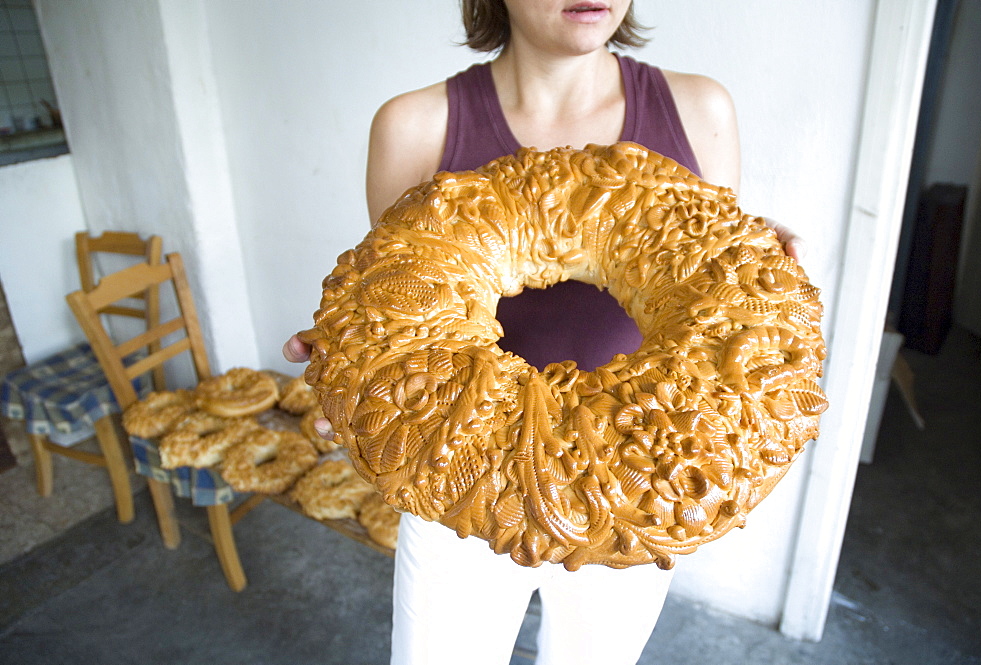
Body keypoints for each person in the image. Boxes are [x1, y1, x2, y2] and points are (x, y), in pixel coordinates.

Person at [284, 2, 800, 663]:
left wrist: (760, 265)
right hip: (458, 477)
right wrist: (354, 369)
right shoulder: (413, 127)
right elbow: (402, 306)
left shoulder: (700, 111)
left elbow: (706, 294)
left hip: (637, 480)